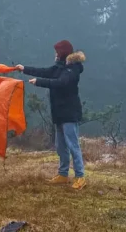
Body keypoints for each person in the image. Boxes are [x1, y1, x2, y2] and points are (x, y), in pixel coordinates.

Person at [16, 40, 86, 189]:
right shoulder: (59, 67)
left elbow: (60, 83)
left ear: (62, 54)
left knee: (73, 145)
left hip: (69, 113)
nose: (55, 55)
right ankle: (63, 174)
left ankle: (80, 176)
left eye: (57, 52)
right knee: (60, 146)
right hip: (59, 113)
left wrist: (39, 82)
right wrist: (24, 69)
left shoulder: (72, 70)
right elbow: (43, 71)